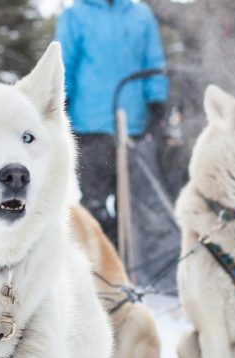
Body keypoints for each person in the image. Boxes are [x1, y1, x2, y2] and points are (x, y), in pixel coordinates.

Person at [56, 0, 168, 246]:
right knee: (94, 203)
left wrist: (157, 102)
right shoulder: (76, 15)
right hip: (89, 126)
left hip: (133, 126)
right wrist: (60, 102)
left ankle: (130, 259)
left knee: (131, 203)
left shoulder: (140, 15)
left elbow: (153, 63)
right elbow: (63, 64)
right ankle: (98, 258)